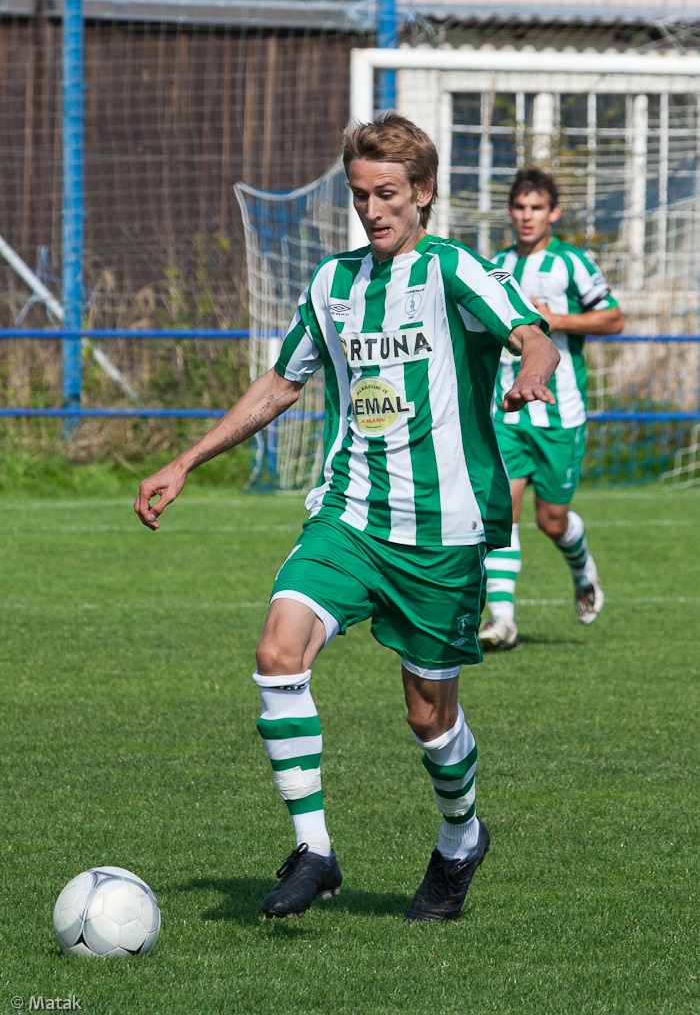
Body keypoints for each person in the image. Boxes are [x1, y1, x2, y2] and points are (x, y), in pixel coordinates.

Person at [134, 114, 559, 922]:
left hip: (441, 532)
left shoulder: (452, 271)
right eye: (360, 195)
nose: (372, 210)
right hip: (348, 518)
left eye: (388, 194)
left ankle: (461, 837)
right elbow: (280, 383)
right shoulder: (332, 285)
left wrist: (531, 372)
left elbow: (531, 336)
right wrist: (184, 460)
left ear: (424, 193)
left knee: (429, 718)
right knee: (275, 649)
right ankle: (314, 849)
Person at [478, 168, 624, 652]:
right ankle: (501, 620)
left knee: (553, 520)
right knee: (503, 510)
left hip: (560, 413)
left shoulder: (572, 263)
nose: (526, 216)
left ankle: (583, 572)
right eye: (520, 207)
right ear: (510, 211)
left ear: (553, 213)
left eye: (536, 208)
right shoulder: (494, 265)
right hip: (508, 411)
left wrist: (556, 319)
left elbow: (613, 317)